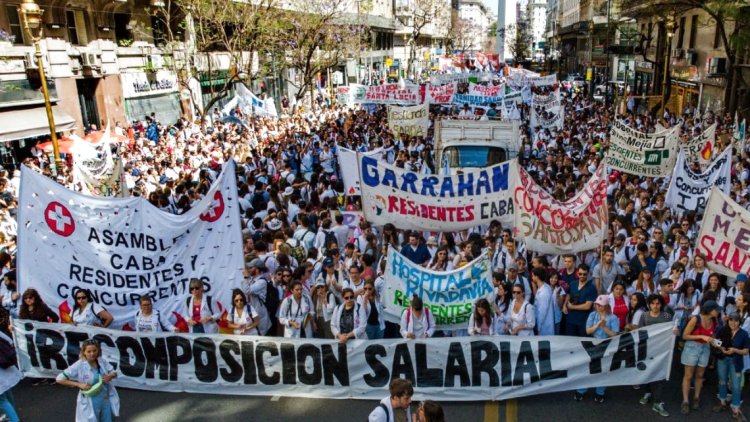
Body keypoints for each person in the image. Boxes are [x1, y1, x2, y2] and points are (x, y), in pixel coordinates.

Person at [56, 339, 120, 422]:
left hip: (105, 399)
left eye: (94, 350)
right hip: (90, 400)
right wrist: (78, 385)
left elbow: (114, 372)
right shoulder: (79, 365)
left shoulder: (101, 361)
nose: (92, 354)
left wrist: (111, 376)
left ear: (98, 350)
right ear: (84, 352)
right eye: (89, 351)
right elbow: (59, 379)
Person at [574, 295, 620, 402]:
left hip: (607, 346)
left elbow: (615, 334)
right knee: (588, 369)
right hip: (593, 344)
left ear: (607, 306)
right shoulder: (592, 315)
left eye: (601, 305)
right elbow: (588, 331)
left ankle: (600, 392)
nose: (598, 307)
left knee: (603, 370)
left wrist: (604, 327)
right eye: (597, 304)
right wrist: (597, 325)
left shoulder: (613, 318)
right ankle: (581, 390)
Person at [680, 300, 721, 414]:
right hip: (692, 348)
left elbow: (711, 335)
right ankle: (685, 401)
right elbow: (685, 336)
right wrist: (702, 336)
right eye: (716, 310)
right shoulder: (695, 319)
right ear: (710, 310)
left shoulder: (714, 320)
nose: (718, 312)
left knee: (700, 375)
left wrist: (714, 341)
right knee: (688, 376)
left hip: (705, 349)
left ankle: (696, 398)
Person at [637, 294, 674, 417]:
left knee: (660, 376)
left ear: (661, 304)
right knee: (647, 372)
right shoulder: (644, 315)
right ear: (649, 304)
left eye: (658, 303)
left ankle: (657, 402)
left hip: (662, 351)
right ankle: (647, 392)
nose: (655, 306)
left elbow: (672, 331)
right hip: (647, 350)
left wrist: (675, 332)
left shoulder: (667, 316)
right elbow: (640, 332)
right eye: (652, 303)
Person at [712, 312, 750, 420]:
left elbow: (746, 351)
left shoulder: (743, 334)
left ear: (739, 322)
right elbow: (714, 341)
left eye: (736, 320)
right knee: (722, 381)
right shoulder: (723, 330)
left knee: (736, 386)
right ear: (728, 320)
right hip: (723, 360)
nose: (733, 323)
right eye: (731, 320)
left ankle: (736, 409)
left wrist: (735, 350)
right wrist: (721, 348)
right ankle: (722, 402)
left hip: (736, 361)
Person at [563, 264, 597, 336]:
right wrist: (564, 305)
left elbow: (587, 306)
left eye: (584, 274)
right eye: (580, 274)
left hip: (583, 321)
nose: (582, 276)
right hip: (570, 319)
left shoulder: (591, 287)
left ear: (588, 274)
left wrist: (572, 307)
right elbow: (568, 294)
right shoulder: (573, 284)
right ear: (577, 273)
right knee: (569, 341)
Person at [0, 308, 21, 422]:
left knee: (1, 400)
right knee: (7, 392)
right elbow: (9, 341)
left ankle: (14, 419)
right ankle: (11, 416)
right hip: (5, 366)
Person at [531, 267, 555, 335]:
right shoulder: (545, 287)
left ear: (537, 277)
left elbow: (542, 311)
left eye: (533, 275)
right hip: (542, 324)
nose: (532, 277)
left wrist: (538, 327)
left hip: (543, 326)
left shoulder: (544, 292)